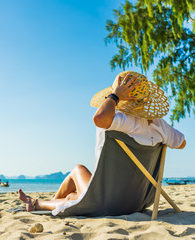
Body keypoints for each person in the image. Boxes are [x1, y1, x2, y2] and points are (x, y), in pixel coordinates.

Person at [19, 71, 186, 212]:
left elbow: (99, 118)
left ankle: (37, 204)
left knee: (78, 170)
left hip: (108, 202)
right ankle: (54, 203)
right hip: (139, 202)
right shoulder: (160, 126)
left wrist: (114, 96)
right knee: (72, 196)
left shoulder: (124, 121)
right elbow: (182, 143)